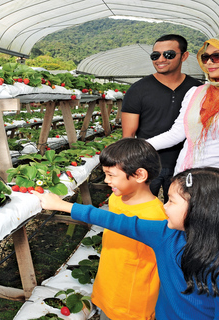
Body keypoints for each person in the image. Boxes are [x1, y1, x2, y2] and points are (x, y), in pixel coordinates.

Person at [33, 167, 219, 320]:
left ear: (200, 211)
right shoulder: (165, 234)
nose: (165, 206)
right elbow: (118, 221)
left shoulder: (209, 260)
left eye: (171, 201)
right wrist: (62, 205)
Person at [44, 138, 167, 320]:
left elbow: (110, 220)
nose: (107, 180)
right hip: (108, 285)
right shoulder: (117, 198)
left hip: (132, 302)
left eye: (111, 175)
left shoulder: (155, 217)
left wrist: (63, 206)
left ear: (140, 175)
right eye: (105, 174)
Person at [121, 34, 202, 202]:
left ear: (184, 56)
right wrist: (128, 167)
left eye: (169, 54)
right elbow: (128, 135)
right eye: (155, 55)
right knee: (141, 211)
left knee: (182, 213)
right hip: (147, 164)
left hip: (186, 165)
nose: (161, 59)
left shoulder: (197, 90)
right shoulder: (138, 90)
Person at [147, 36, 219, 175]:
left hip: (214, 179)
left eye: (216, 56)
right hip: (185, 173)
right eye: (206, 58)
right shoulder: (196, 92)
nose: (209, 62)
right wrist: (139, 146)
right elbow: (177, 133)